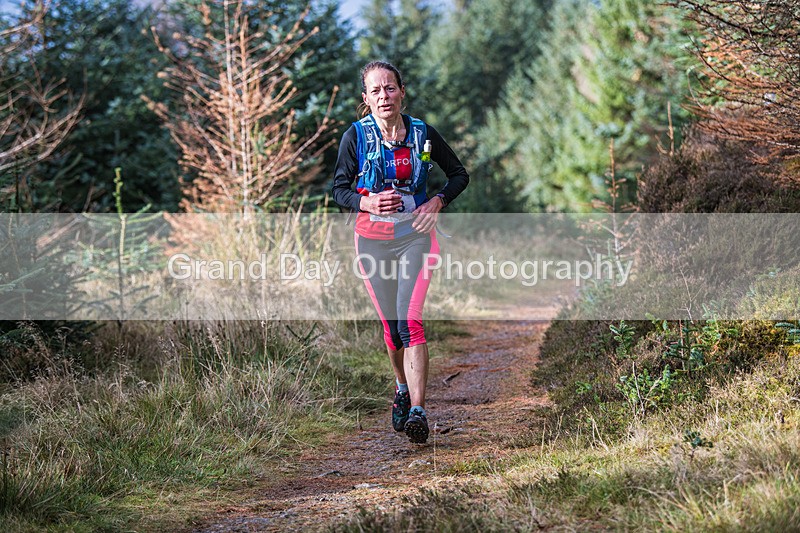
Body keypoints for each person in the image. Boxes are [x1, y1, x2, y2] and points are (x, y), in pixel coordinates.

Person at [331, 61, 469, 444]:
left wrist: (438, 201)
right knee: (392, 329)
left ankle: (420, 411)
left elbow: (459, 174)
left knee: (411, 320)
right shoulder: (355, 137)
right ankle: (402, 388)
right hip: (372, 240)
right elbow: (338, 190)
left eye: (389, 88)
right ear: (366, 99)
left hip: (415, 237)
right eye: (375, 91)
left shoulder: (423, 132)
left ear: (401, 91)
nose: (383, 96)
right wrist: (368, 203)